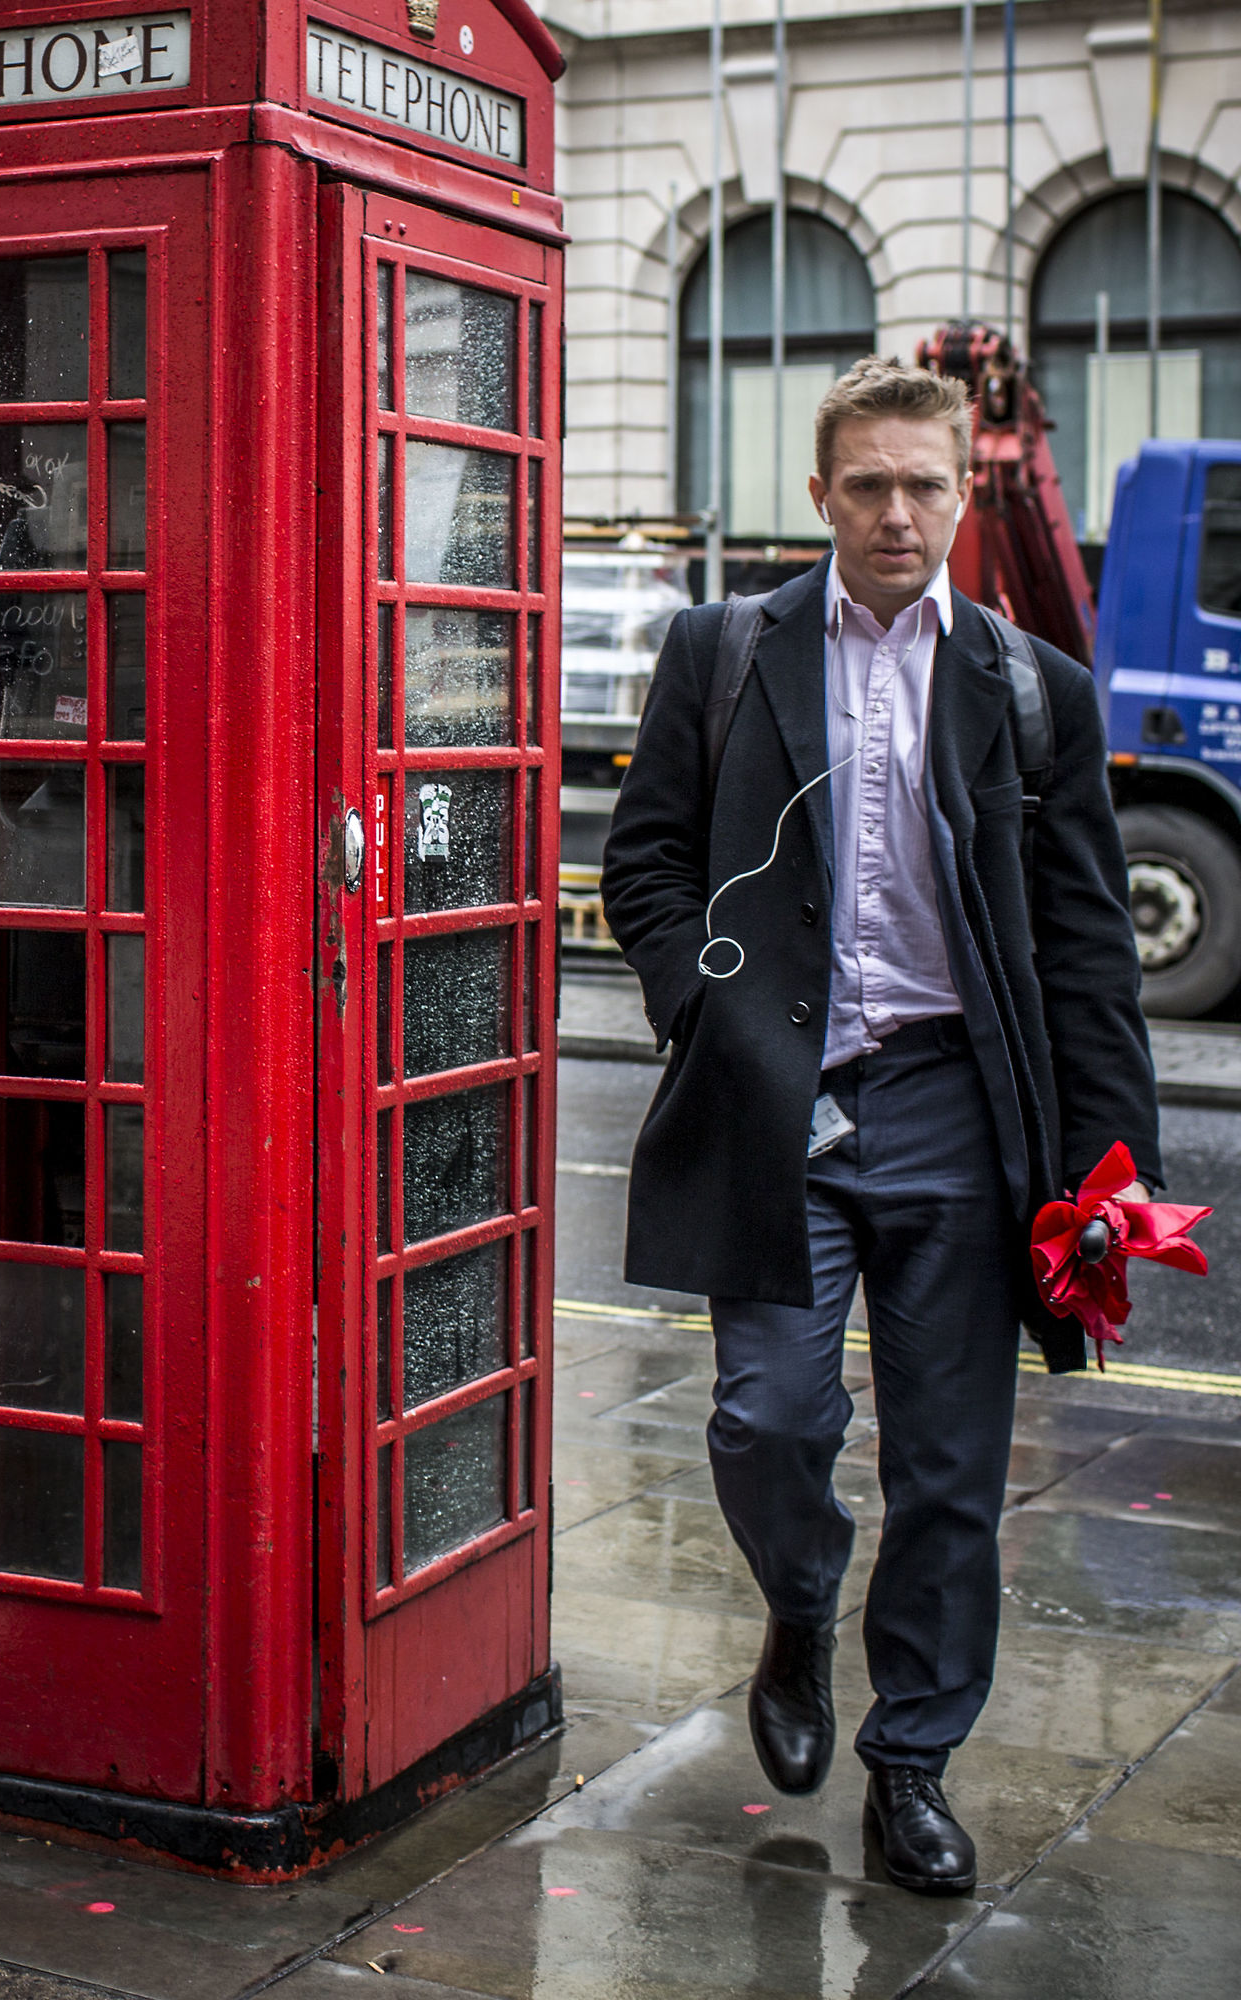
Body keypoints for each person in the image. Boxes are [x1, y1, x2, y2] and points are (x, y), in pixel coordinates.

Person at [600, 358, 1160, 1895]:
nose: (897, 512)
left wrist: (1117, 1172)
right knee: (769, 1422)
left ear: (961, 496)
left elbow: (1089, 949)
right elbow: (640, 867)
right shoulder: (726, 650)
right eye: (869, 486)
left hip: (961, 1113)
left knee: (950, 1474)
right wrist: (705, 1010)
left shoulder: (1031, 683)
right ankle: (798, 1604)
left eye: (924, 485)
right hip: (780, 1100)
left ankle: (911, 1763)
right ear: (820, 497)